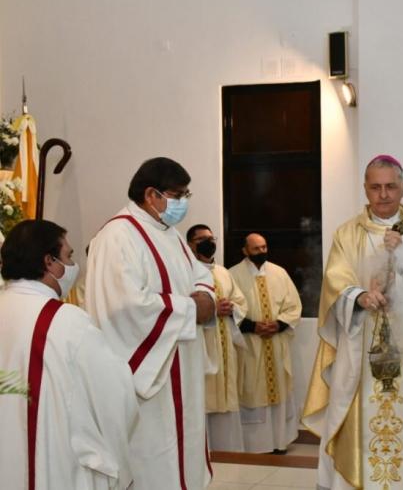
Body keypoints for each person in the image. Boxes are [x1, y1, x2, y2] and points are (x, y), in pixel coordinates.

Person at [302, 155, 403, 490]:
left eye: (390, 186)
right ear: (365, 189)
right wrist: (359, 297)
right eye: (376, 187)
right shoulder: (348, 234)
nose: (383, 194)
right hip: (360, 349)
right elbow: (335, 280)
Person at [86, 157, 216, 489]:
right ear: (151, 194)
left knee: (182, 451)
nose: (183, 202)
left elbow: (200, 274)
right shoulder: (117, 236)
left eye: (187, 194)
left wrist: (205, 297)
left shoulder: (167, 233)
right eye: (177, 194)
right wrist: (191, 309)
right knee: (153, 457)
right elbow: (124, 306)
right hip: (151, 378)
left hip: (180, 363)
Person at [0, 220, 137, 490]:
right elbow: (114, 397)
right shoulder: (67, 322)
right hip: (51, 465)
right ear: (49, 262)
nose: (74, 265)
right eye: (69, 256)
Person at [229, 233, 302, 454]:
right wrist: (253, 327)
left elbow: (293, 306)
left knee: (278, 392)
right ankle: (255, 445)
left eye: (264, 247)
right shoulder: (233, 275)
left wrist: (278, 325)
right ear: (245, 251)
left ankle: (279, 442)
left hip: (276, 345)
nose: (262, 252)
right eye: (256, 248)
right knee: (252, 391)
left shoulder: (279, 273)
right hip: (250, 346)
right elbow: (230, 310)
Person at [186, 223, 248, 452]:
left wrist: (232, 308)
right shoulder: (185, 271)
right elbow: (183, 306)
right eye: (203, 239)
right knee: (203, 397)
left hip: (224, 347)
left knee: (226, 397)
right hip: (201, 343)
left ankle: (229, 451)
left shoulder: (223, 272)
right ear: (191, 244)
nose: (209, 242)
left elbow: (242, 302)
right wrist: (211, 310)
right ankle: (204, 451)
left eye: (212, 238)